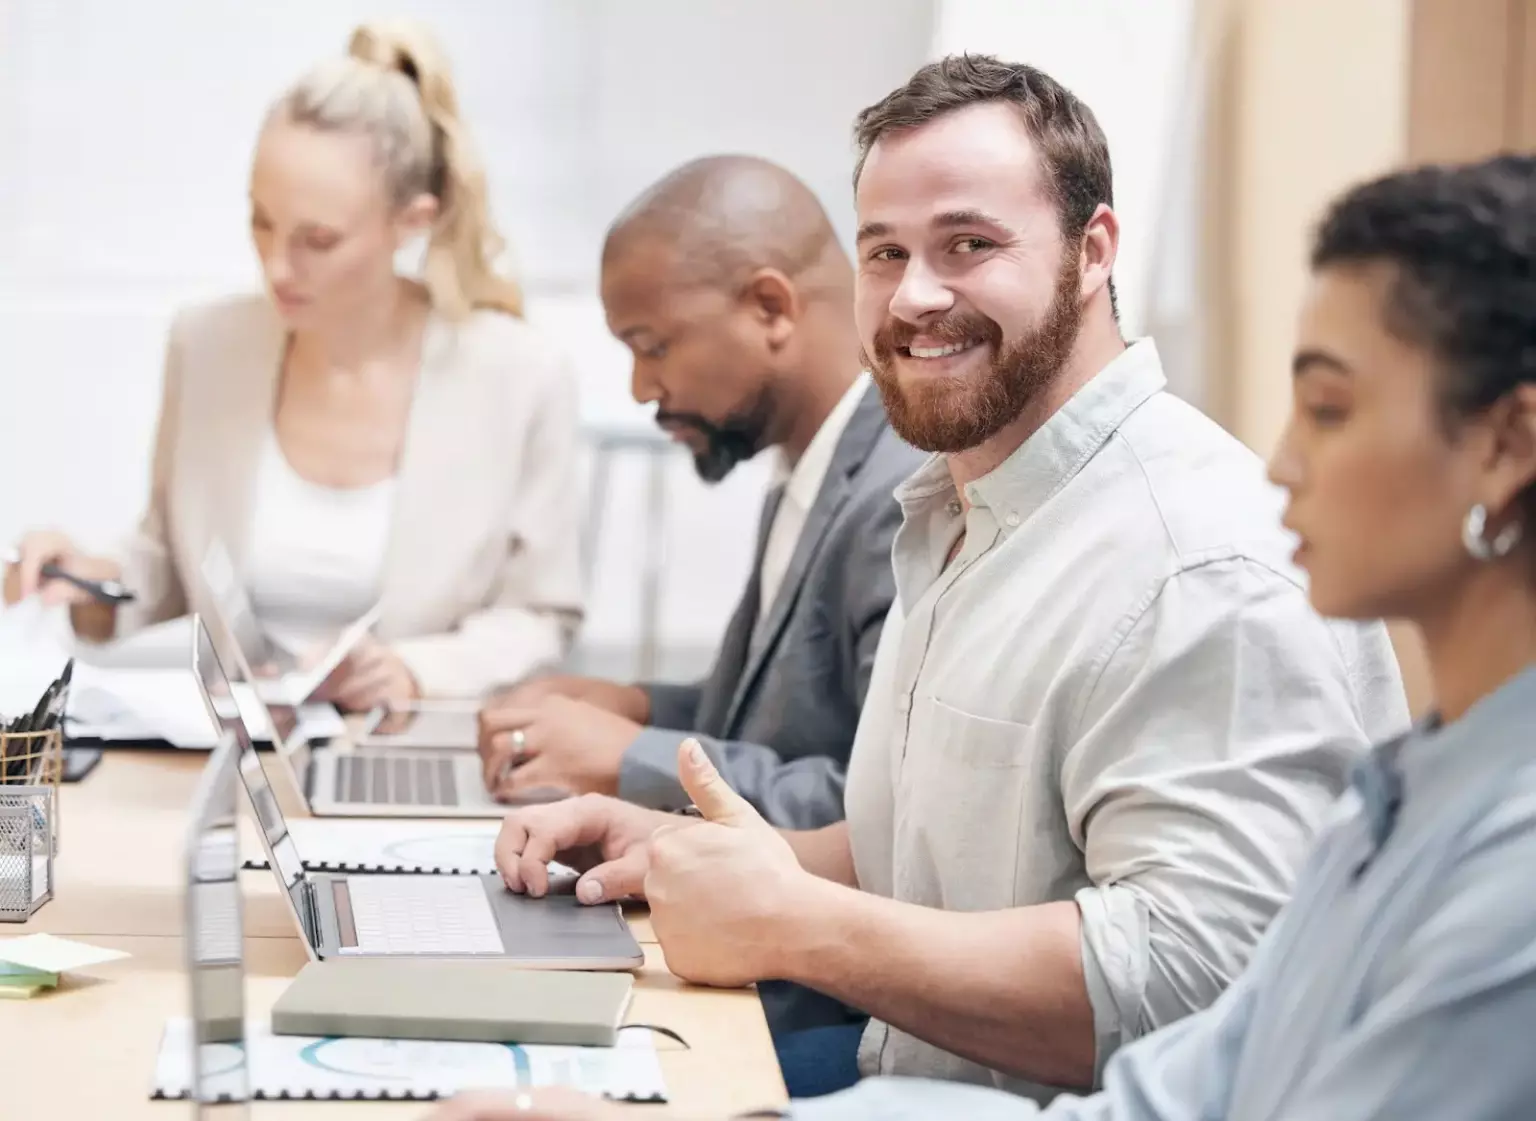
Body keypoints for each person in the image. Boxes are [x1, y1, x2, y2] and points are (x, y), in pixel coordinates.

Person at [423, 148, 1536, 1121]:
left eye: (1330, 408)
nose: (1285, 461)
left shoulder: (1202, 563)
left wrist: (796, 925)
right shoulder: (977, 508)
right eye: (884, 253)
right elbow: (1181, 1081)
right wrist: (689, 863)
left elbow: (1177, 990)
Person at [1, 20, 583, 709]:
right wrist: (88, 581)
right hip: (237, 758)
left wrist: (412, 670)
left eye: (318, 239)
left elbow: (542, 617)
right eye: (260, 221)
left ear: (413, 221)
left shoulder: (517, 374)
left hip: (415, 746)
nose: (276, 265)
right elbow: (164, 561)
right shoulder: (208, 345)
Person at [476, 156, 922, 832]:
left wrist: (630, 757)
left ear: (770, 308)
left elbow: (876, 817)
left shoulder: (901, 498)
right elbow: (776, 730)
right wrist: (637, 708)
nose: (640, 388)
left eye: (652, 346)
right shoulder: (811, 467)